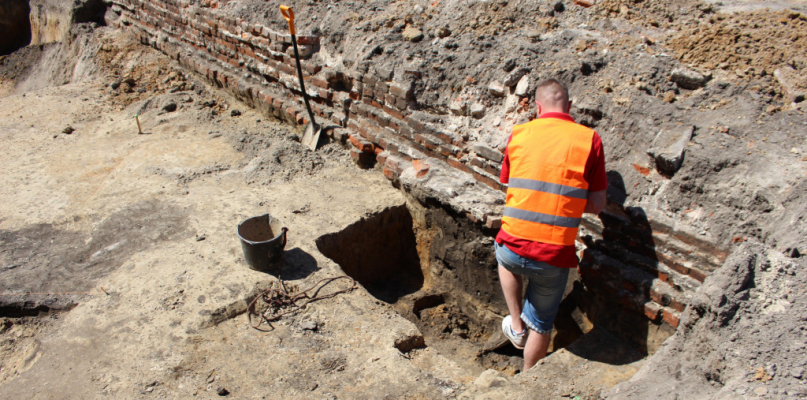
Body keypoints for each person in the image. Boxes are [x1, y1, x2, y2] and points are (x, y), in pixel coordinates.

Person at [495, 78, 607, 371]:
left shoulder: (520, 133)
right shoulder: (589, 140)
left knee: (504, 259)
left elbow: (508, 180)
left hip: (512, 244)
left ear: (538, 106)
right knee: (543, 325)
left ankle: (516, 326)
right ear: (569, 107)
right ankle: (529, 377)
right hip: (553, 256)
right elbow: (596, 204)